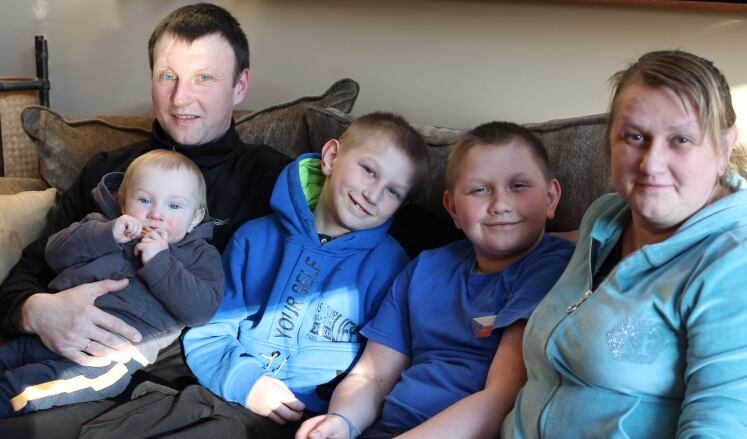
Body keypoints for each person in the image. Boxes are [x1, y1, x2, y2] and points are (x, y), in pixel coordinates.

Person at [0, 3, 289, 436]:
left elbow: (377, 225)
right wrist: (36, 311)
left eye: (205, 78)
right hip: (53, 353)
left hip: (172, 385)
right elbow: (31, 268)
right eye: (166, 76)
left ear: (240, 85)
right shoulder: (108, 173)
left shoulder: (275, 181)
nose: (180, 98)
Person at [505, 50, 747, 438]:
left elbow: (731, 428)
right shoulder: (604, 219)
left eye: (681, 140)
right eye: (635, 137)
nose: (651, 164)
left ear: (724, 146)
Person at [297, 122, 576, 439]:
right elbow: (372, 375)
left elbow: (503, 397)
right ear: (453, 209)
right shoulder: (426, 268)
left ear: (551, 198)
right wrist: (341, 421)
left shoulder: (553, 266)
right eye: (479, 189)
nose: (500, 203)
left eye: (519, 185)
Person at [160, 111, 428, 438]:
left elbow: (378, 371)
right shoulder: (255, 239)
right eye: (369, 171)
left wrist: (343, 419)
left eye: (393, 192)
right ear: (331, 158)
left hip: (322, 418)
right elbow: (209, 331)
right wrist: (248, 384)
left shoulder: (391, 267)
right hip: (236, 390)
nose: (373, 195)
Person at [0, 150, 223, 417]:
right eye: (144, 200)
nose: (156, 215)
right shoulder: (99, 226)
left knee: (19, 390)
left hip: (108, 358)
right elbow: (53, 255)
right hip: (49, 331)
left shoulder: (199, 256)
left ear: (196, 218)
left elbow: (200, 311)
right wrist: (107, 234)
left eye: (174, 206)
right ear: (122, 202)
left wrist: (160, 262)